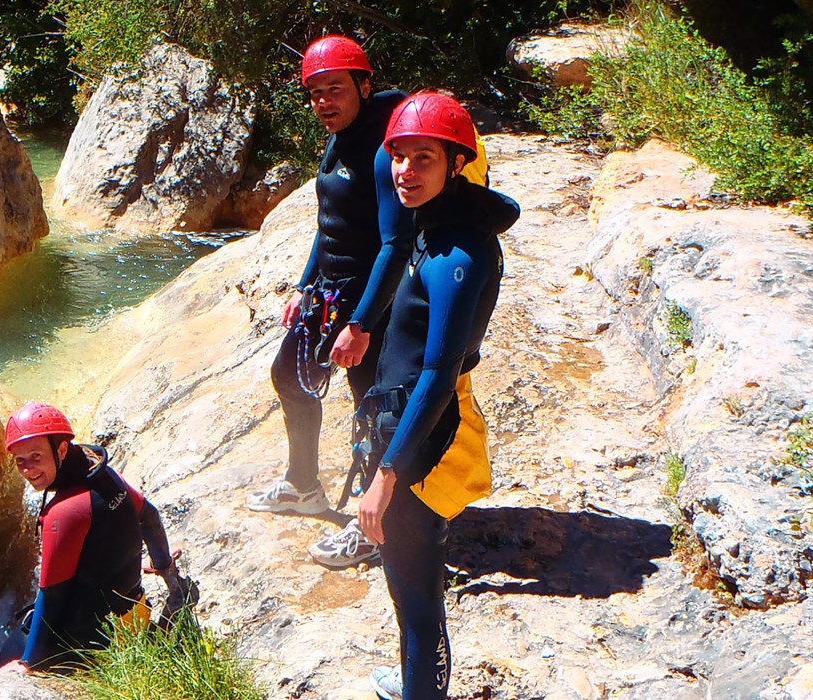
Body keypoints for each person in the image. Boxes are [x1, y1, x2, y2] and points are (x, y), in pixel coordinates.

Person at [359, 92, 516, 700]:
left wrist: (387, 475)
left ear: (456, 165)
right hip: (406, 423)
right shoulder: (439, 229)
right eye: (399, 156)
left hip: (424, 439)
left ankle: (423, 690)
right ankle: (414, 683)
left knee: (416, 583)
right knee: (406, 580)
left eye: (424, 158)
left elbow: (439, 372)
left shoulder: (460, 253)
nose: (405, 171)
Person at [246, 34, 409, 568]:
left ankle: (376, 526)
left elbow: (394, 243)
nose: (324, 102)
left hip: (370, 299)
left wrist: (362, 323)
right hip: (329, 292)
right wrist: (303, 285)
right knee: (288, 376)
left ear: (364, 85)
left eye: (335, 89)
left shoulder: (383, 152)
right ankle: (303, 485)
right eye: (315, 93)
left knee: (372, 411)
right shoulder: (339, 137)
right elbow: (329, 225)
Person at [0, 402, 191, 672]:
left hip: (94, 641)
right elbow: (149, 516)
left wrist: (28, 663)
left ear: (62, 450)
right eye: (20, 461)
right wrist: (164, 566)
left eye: (36, 457)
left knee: (5, 657)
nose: (28, 469)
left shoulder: (64, 512)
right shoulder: (105, 475)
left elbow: (52, 595)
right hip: (135, 616)